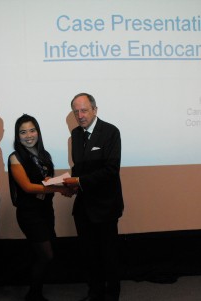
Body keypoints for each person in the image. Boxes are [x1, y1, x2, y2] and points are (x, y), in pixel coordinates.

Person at [64, 93, 124, 301]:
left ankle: (112, 294)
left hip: (106, 206)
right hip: (83, 207)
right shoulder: (75, 134)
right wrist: (68, 185)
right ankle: (95, 291)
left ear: (95, 110)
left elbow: (111, 170)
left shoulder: (110, 132)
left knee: (109, 255)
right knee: (89, 255)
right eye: (76, 111)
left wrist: (78, 182)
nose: (80, 115)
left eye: (84, 110)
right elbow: (78, 169)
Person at [8, 114, 72, 301]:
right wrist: (59, 189)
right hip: (30, 214)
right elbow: (27, 187)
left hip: (45, 211)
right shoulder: (15, 157)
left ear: (38, 132)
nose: (28, 135)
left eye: (32, 130)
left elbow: (45, 181)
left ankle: (36, 292)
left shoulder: (44, 155)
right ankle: (33, 295)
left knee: (41, 254)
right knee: (46, 255)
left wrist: (57, 184)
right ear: (17, 136)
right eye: (23, 132)